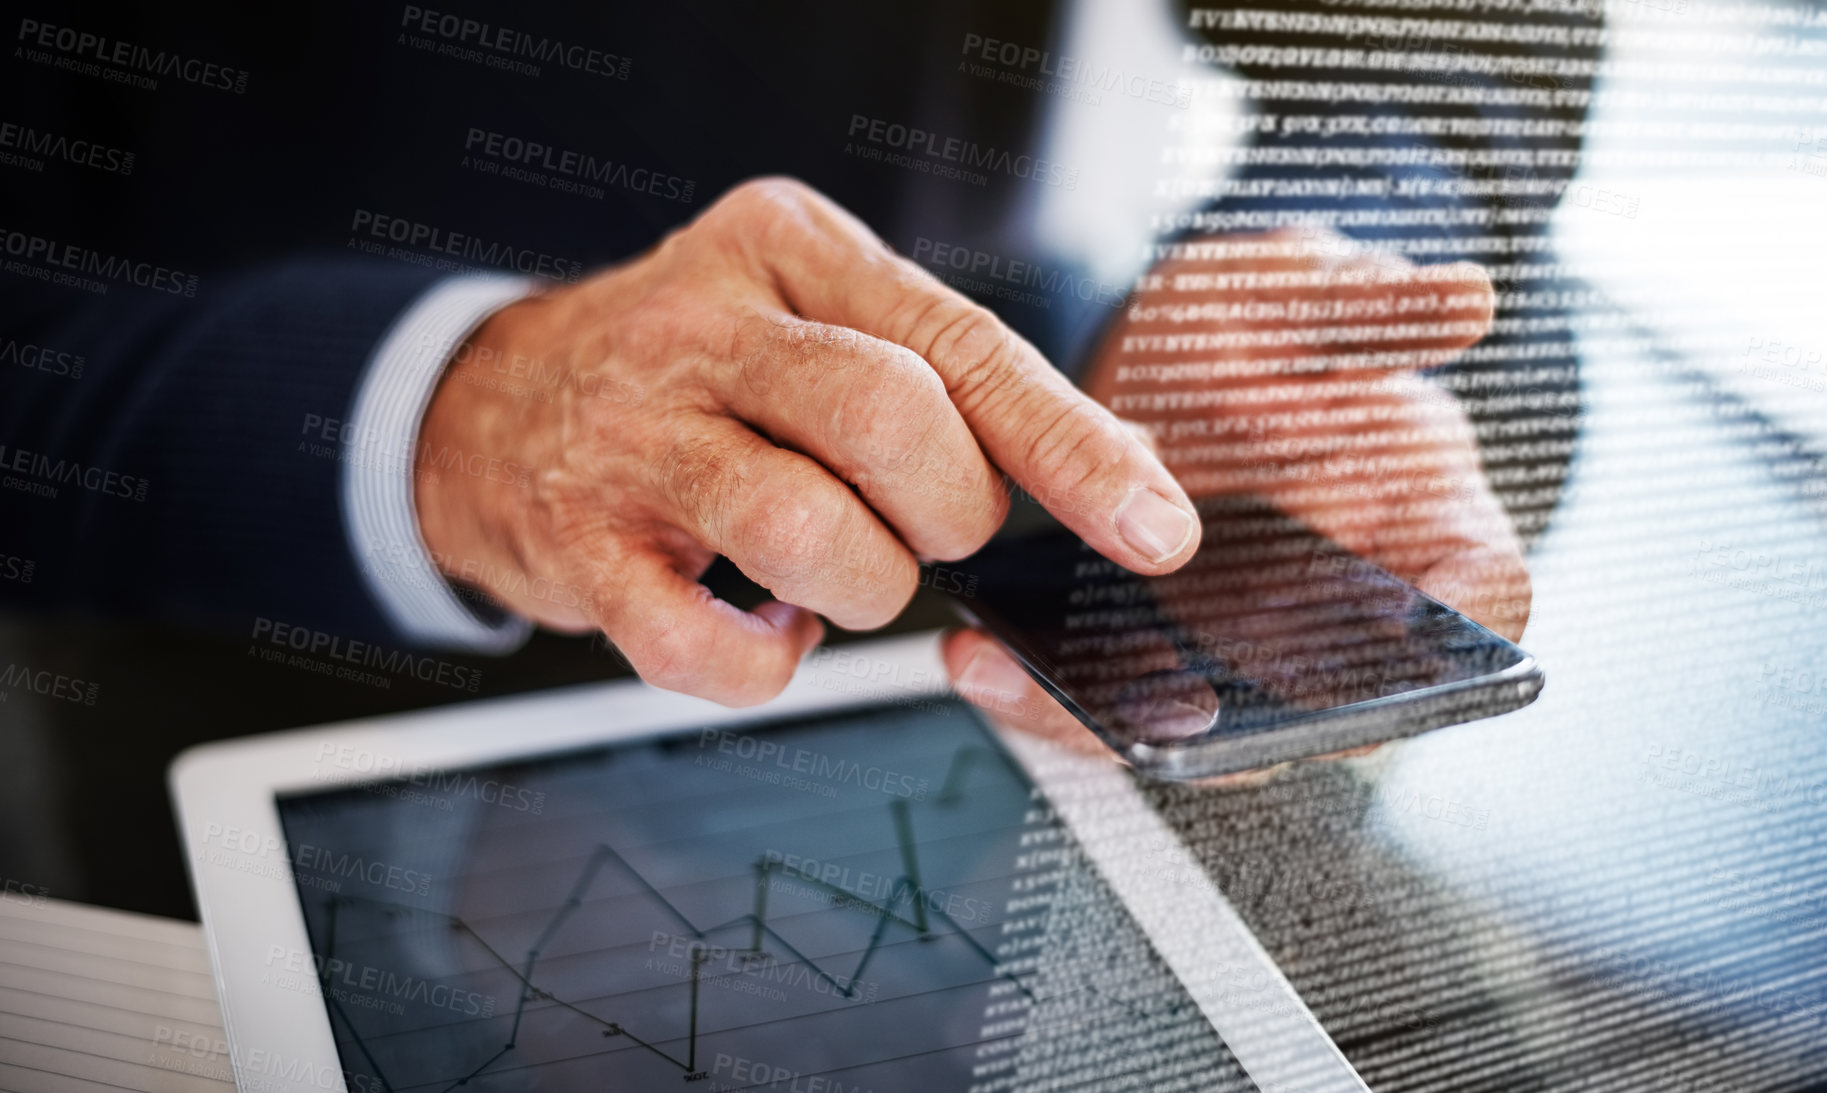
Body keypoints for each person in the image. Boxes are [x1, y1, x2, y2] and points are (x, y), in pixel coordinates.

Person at [0, 0, 1594, 735]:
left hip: (986, 552)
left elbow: (1468, 30)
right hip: (245, 630)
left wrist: (1304, 250)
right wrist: (459, 417)